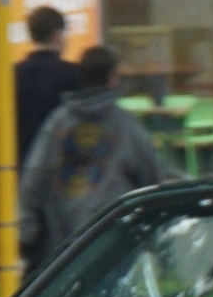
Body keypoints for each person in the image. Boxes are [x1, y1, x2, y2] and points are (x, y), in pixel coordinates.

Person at [19, 45, 163, 267]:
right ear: (112, 78)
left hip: (61, 252)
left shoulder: (56, 123)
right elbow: (152, 176)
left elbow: (33, 177)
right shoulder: (126, 125)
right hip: (112, 244)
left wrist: (27, 234)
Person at [13, 4, 81, 159]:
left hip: (20, 167)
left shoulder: (12, 75)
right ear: (56, 34)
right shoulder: (73, 73)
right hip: (61, 166)